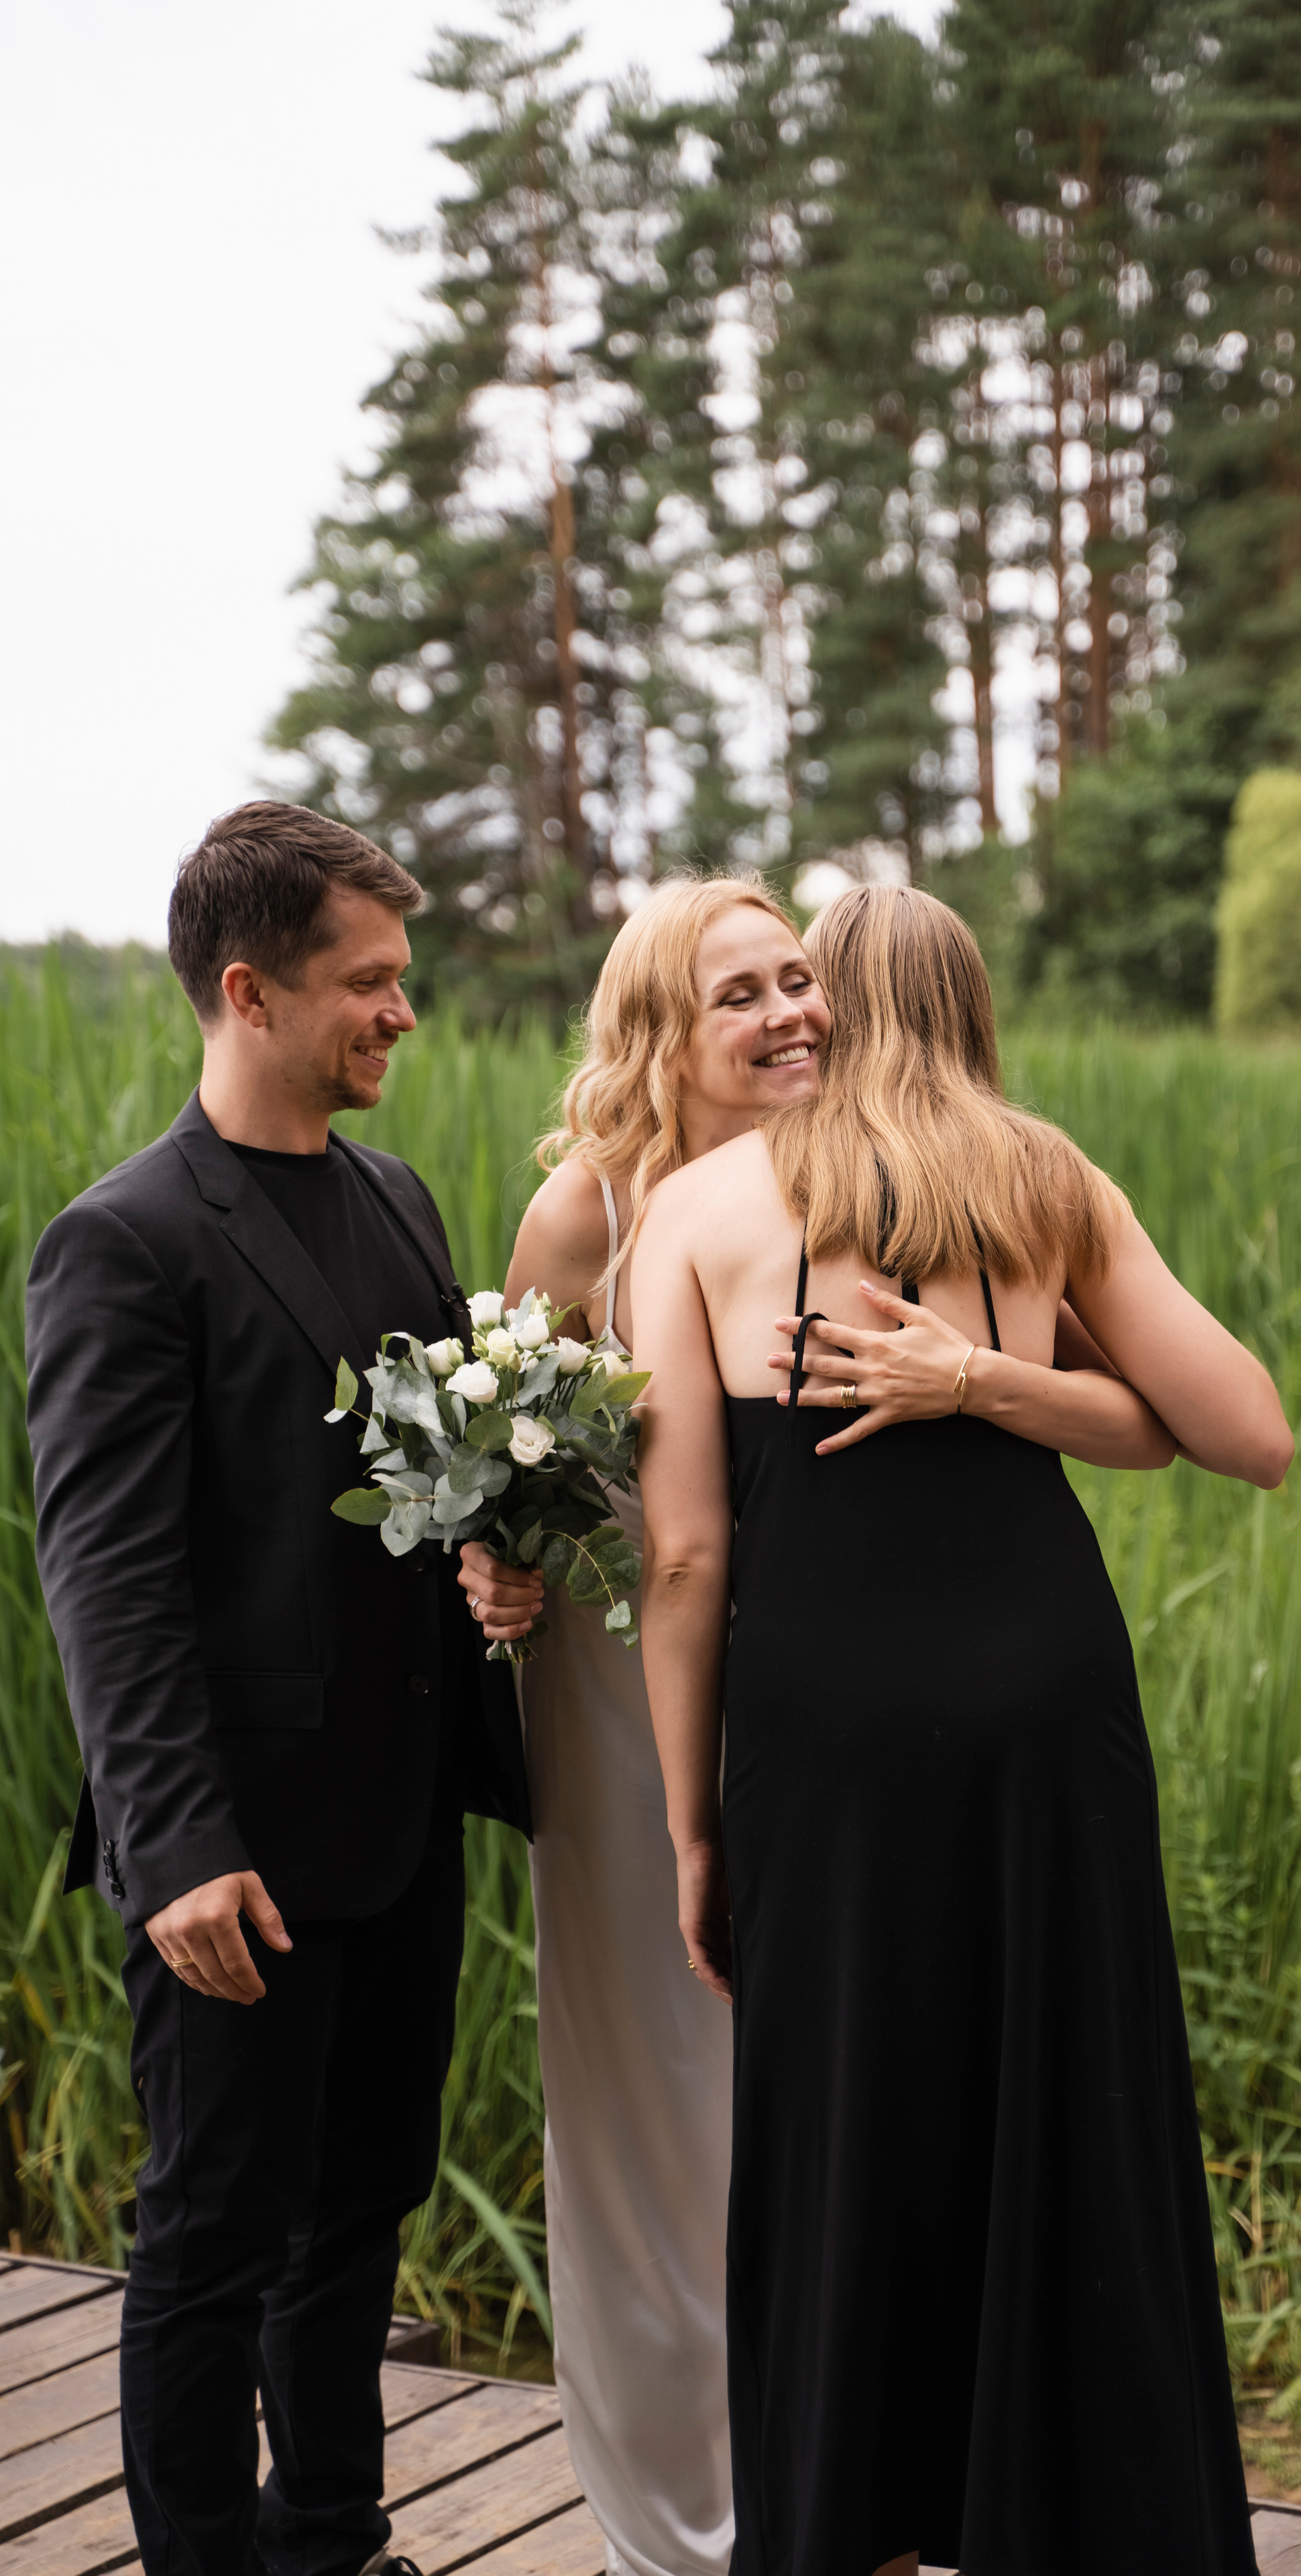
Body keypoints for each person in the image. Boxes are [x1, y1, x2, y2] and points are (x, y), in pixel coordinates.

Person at [457, 872, 1168, 2576]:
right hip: (633, 1692)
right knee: (654, 2099)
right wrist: (491, 1562)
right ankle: (682, 2501)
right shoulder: (589, 1213)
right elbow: (526, 1471)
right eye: (743, 995)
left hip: (797, 1688)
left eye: (801, 979)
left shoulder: (869, 1182)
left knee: (823, 2099)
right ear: (659, 1031)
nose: (790, 1013)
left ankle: (835, 2467)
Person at [628, 882, 1290, 2576]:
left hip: (819, 1734)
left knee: (845, 2124)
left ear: (831, 1011)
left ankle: (853, 2524)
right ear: (972, 1004)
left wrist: (691, 1821)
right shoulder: (1041, 1181)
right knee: (1059, 2102)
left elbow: (686, 1551)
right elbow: (1246, 1431)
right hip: (1041, 1718)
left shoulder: (698, 1211)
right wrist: (996, 1378)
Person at [25, 803, 529, 2576]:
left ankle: (334, 2536)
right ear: (247, 989)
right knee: (212, 2236)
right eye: (367, 982)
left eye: (403, 977)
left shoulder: (397, 1198)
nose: (404, 1011)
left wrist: (507, 1552)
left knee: (361, 2213)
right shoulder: (126, 1242)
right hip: (230, 1855)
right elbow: (107, 1570)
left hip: (397, 1826)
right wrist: (171, 1849)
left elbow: (438, 1486)